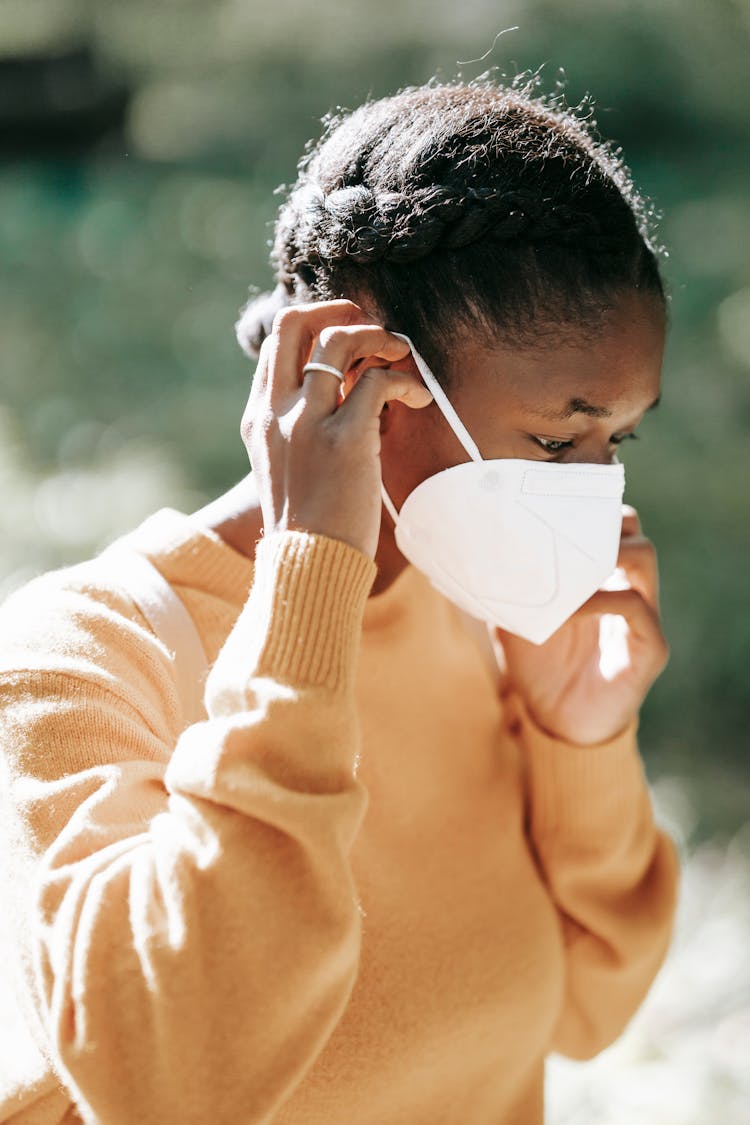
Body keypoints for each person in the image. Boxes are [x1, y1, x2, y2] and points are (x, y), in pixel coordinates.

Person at [0, 78, 680, 1124]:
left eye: (615, 440)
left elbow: (588, 1011)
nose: (595, 489)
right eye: (555, 439)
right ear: (359, 365)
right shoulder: (78, 659)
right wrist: (311, 574)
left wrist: (580, 741)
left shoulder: (480, 619)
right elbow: (166, 1081)